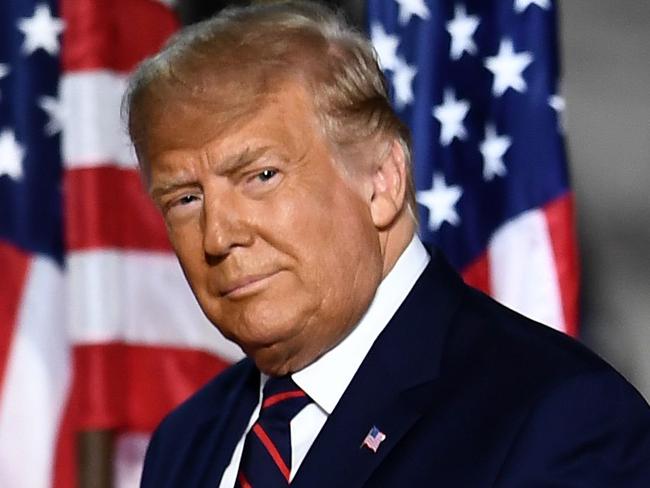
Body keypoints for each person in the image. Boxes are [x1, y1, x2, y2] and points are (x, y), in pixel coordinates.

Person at [124, 1, 650, 486]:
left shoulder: (559, 417)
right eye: (185, 200)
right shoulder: (186, 442)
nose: (218, 236)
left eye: (261, 175)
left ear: (381, 181)